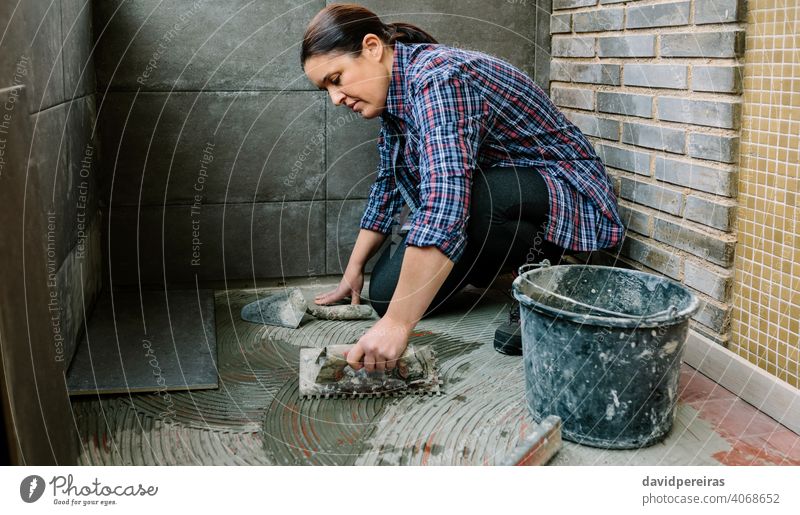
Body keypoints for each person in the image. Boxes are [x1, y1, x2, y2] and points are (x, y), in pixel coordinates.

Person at [301, 4, 624, 370]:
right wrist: (353, 270)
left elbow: (447, 197)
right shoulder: (395, 99)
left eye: (336, 79)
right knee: (386, 294)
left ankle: (543, 276)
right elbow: (386, 187)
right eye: (325, 88)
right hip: (497, 192)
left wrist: (397, 325)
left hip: (564, 190)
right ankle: (490, 261)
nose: (335, 98)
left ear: (372, 48)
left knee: (471, 202)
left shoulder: (439, 78)